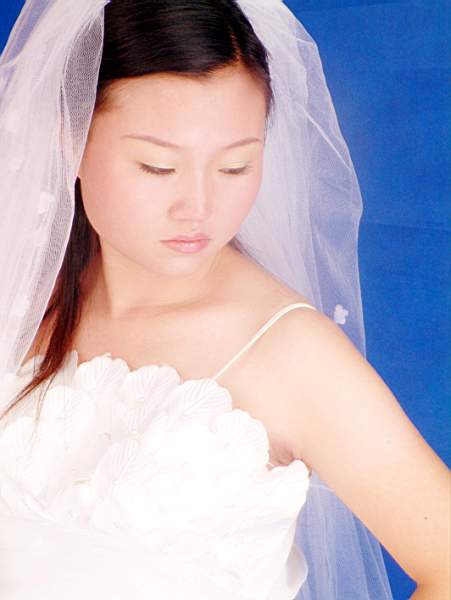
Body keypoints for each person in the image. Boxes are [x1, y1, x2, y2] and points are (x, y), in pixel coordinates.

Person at [0, 0, 449, 598]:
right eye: (158, 167)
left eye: (235, 167)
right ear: (70, 137)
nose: (198, 207)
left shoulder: (290, 351)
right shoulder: (23, 295)